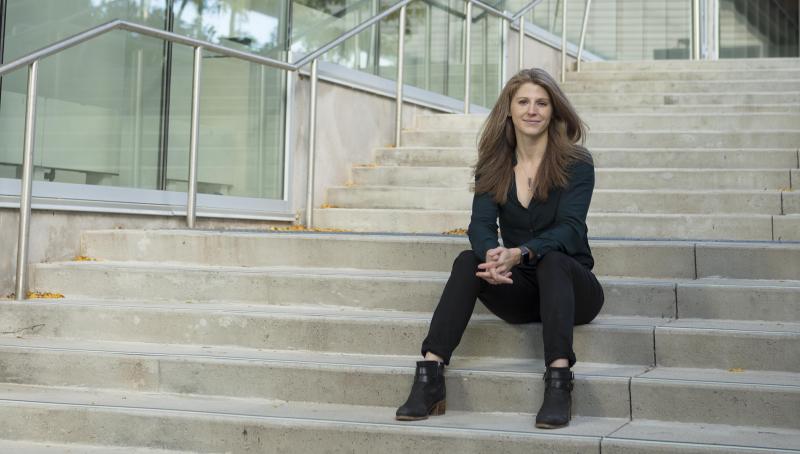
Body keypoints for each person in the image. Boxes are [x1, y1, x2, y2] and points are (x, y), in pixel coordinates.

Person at [395, 68, 604, 429]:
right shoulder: (494, 163)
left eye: (542, 103)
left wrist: (520, 253)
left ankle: (558, 383)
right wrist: (493, 253)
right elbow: (479, 224)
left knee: (552, 260)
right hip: (521, 292)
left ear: (554, 111)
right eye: (523, 101)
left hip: (572, 288)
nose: (532, 110)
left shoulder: (576, 162)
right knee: (466, 261)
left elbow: (570, 229)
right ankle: (430, 375)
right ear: (509, 109)